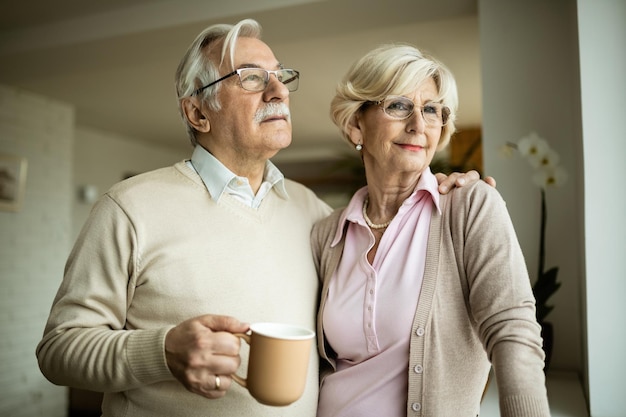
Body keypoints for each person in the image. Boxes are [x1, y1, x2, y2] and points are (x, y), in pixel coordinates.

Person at [35, 19, 487, 417]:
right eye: (251, 79)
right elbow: (59, 349)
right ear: (197, 112)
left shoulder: (315, 214)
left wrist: (448, 192)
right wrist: (163, 351)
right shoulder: (129, 207)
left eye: (280, 77)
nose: (278, 92)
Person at [311, 43, 550, 417]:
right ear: (356, 123)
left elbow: (512, 327)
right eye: (398, 105)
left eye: (431, 110)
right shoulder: (327, 235)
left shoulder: (469, 205)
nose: (418, 125)